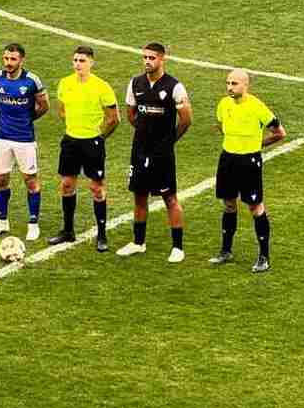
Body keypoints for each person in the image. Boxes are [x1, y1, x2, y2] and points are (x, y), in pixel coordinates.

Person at [117, 42, 192, 263]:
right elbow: (131, 114)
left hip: (162, 154)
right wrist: (143, 133)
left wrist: (168, 141)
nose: (147, 61)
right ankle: (138, 243)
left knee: (170, 198)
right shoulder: (135, 83)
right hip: (139, 150)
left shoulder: (174, 86)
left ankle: (178, 247)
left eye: (152, 58)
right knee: (139, 196)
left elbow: (186, 120)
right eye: (145, 57)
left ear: (162, 59)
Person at [210, 69, 286, 273]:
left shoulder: (257, 107)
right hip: (227, 158)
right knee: (228, 203)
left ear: (245, 85)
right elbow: (220, 125)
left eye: (234, 83)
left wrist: (258, 144)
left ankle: (264, 257)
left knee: (255, 206)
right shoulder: (223, 104)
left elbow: (280, 133)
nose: (229, 87)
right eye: (227, 83)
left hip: (249, 162)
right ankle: (226, 251)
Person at [48, 46, 119, 252]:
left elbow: (114, 118)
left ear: (91, 63)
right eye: (76, 60)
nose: (78, 64)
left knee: (96, 188)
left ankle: (102, 235)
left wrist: (99, 137)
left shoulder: (101, 87)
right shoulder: (65, 83)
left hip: (92, 143)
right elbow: (62, 110)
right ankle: (68, 231)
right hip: (70, 141)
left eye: (82, 61)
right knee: (67, 185)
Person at [0, 42, 49, 241]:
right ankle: (2, 221)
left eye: (13, 59)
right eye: (6, 58)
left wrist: (27, 119)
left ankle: (33, 223)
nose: (8, 62)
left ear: (22, 60)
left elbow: (44, 105)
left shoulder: (32, 81)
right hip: (2, 137)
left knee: (30, 180)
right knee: (0, 179)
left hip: (24, 139)